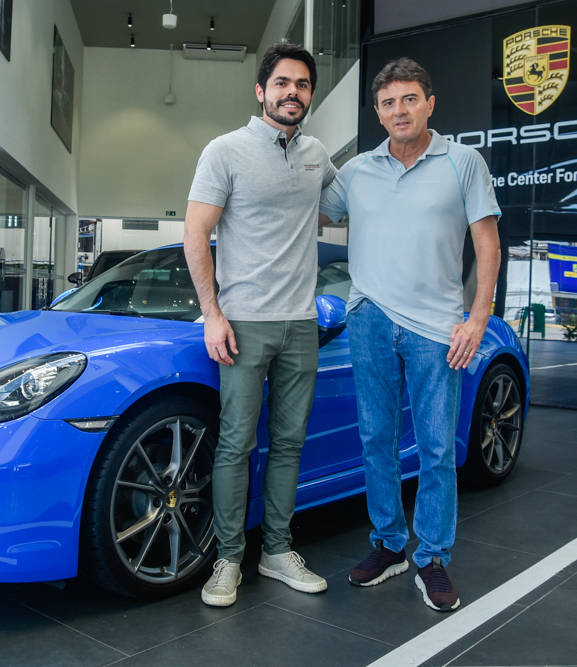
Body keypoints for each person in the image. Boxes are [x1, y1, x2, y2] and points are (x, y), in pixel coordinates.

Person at [318, 58, 501, 612]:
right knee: (375, 439)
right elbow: (303, 208)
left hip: (436, 327)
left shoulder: (464, 162)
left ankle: (432, 557)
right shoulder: (355, 172)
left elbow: (488, 246)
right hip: (369, 317)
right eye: (389, 102)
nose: (400, 110)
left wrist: (478, 318)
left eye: (410, 99)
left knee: (437, 447)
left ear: (430, 103)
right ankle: (390, 544)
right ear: (377, 112)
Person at [184, 42, 337, 607]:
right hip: (243, 323)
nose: (291, 92)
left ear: (310, 95)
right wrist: (212, 314)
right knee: (236, 445)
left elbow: (345, 204)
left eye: (301, 84)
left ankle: (276, 550)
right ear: (261, 90)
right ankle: (228, 560)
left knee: (290, 443)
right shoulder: (225, 151)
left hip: (301, 322)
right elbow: (195, 234)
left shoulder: (318, 154)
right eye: (281, 83)